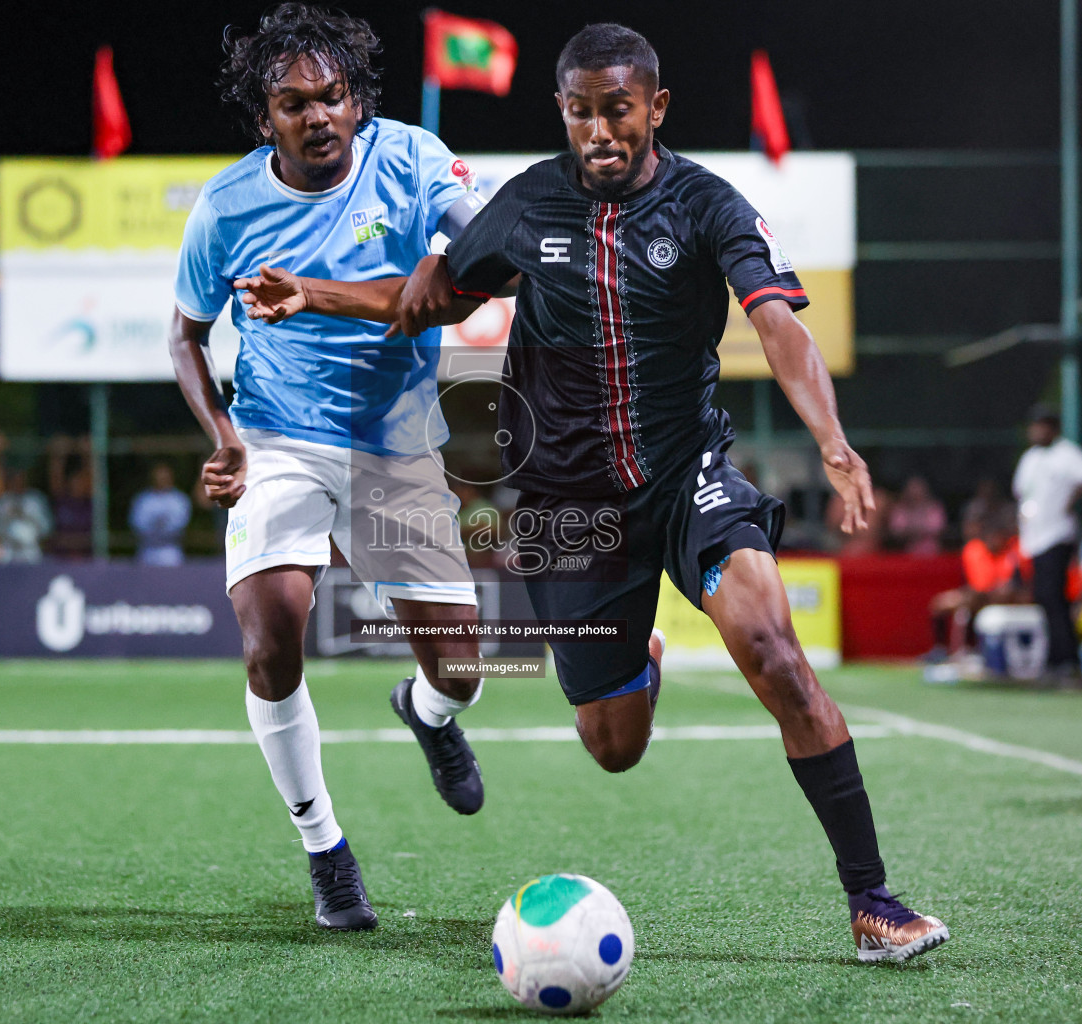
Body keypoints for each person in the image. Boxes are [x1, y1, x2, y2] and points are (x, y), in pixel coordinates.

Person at [239, 23, 947, 961]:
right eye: (581, 112)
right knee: (613, 745)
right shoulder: (528, 202)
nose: (599, 130)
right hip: (569, 509)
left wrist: (833, 441)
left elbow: (777, 323)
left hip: (686, 471)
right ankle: (637, 661)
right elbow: (431, 298)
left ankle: (874, 901)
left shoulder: (708, 205)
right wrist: (317, 293)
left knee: (774, 650)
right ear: (564, 113)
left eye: (618, 110)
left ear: (655, 107)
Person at [167, 3, 493, 932]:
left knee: (463, 669)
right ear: (264, 116)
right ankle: (327, 852)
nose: (318, 116)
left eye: (334, 96)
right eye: (294, 103)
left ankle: (428, 714)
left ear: (358, 101)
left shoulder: (414, 158)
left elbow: (462, 272)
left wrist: (451, 242)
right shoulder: (226, 208)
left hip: (394, 442)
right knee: (272, 633)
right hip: (278, 439)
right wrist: (222, 435)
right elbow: (187, 337)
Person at [1013, 406, 1082, 677]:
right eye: (1034, 426)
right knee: (1043, 597)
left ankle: (1067, 659)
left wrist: (1074, 498)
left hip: (1057, 534)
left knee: (1054, 597)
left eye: (1043, 425)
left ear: (1054, 428)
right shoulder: (1030, 458)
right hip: (1034, 538)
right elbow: (1021, 492)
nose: (1037, 431)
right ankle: (1055, 656)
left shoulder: (1066, 454)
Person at [927, 512, 1031, 660]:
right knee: (941, 603)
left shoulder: (1014, 550)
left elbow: (1018, 582)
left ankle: (983, 649)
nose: (996, 540)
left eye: (999, 536)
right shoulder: (974, 550)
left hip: (1009, 597)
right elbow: (979, 585)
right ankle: (941, 649)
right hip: (980, 596)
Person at [130, 463, 193, 566]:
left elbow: (181, 523)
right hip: (147, 551)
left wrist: (164, 526)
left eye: (164, 477)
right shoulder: (143, 500)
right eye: (158, 476)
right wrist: (154, 526)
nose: (161, 479)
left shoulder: (179, 500)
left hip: (171, 553)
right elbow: (137, 523)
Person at [0, 469, 52, 564]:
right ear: (10, 482)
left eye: (20, 480)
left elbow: (47, 529)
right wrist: (8, 516)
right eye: (15, 480)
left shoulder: (36, 500)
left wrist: (28, 515)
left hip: (31, 549)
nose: (18, 483)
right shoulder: (2, 501)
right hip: (7, 549)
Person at [887, 477, 947, 556]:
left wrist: (913, 531)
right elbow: (896, 530)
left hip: (932, 553)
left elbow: (938, 528)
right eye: (912, 490)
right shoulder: (900, 508)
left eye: (918, 490)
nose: (915, 494)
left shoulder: (934, 507)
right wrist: (917, 531)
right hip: (904, 553)